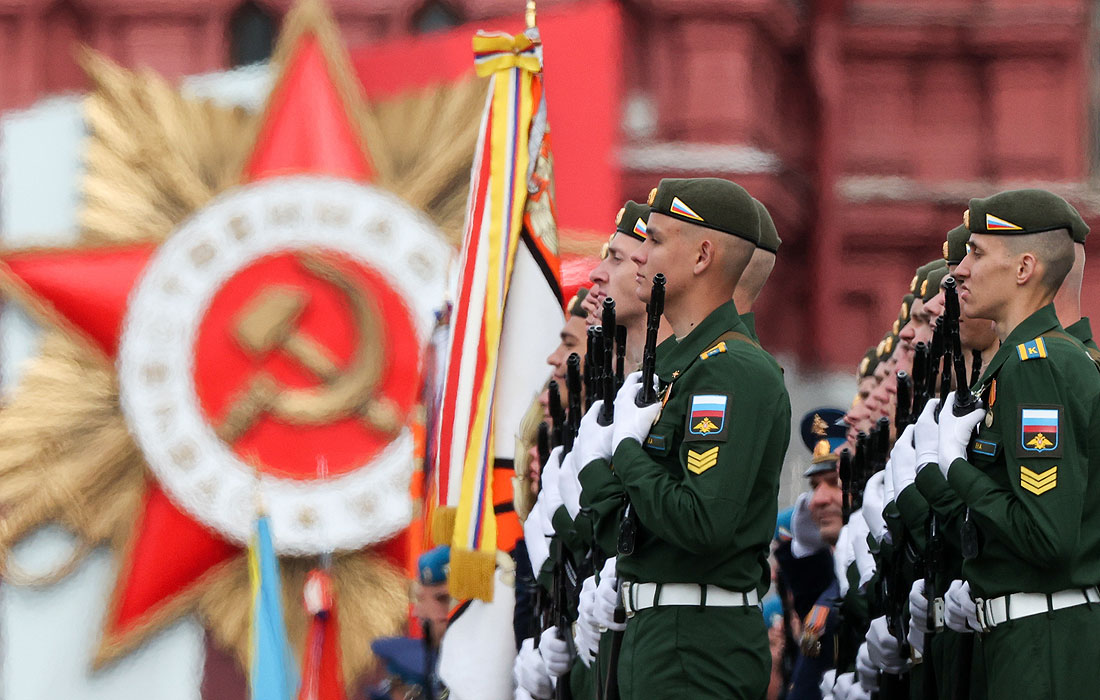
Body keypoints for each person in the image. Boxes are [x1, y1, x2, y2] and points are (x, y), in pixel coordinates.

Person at [579, 177, 791, 698]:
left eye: (654, 241)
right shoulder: (680, 369)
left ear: (701, 256)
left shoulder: (731, 370)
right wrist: (593, 469)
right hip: (659, 632)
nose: (639, 258)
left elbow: (701, 521)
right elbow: (623, 529)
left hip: (697, 644)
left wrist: (624, 452)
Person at [917, 189, 1100, 698]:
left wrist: (954, 467)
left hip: (1045, 645)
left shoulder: (1037, 366)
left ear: (1024, 268)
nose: (958, 272)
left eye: (976, 253)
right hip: (1025, 636)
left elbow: (1045, 536)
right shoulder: (1018, 364)